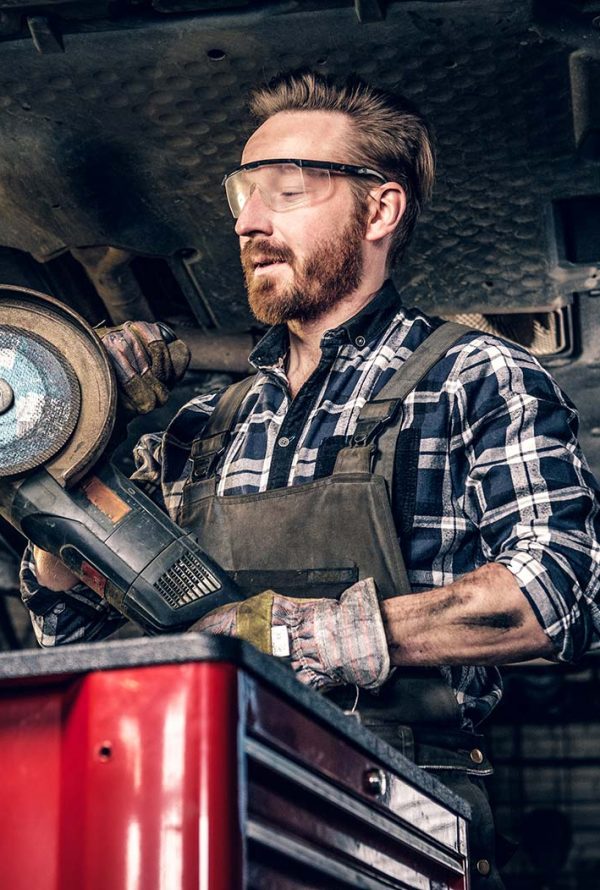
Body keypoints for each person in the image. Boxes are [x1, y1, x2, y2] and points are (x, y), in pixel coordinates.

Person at [21, 71, 600, 887]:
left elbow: (561, 590)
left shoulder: (471, 375)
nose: (249, 221)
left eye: (287, 190)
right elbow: (72, 634)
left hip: (396, 819)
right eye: (243, 194)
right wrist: (71, 459)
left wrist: (297, 638)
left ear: (380, 209)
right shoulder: (201, 425)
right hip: (194, 807)